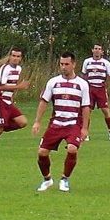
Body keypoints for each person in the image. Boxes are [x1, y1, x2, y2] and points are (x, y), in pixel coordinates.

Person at [31, 52, 90, 192]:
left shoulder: (82, 84)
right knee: (42, 153)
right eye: (61, 64)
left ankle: (65, 179)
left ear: (74, 65)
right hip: (56, 123)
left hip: (73, 123)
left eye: (66, 64)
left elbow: (86, 107)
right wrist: (37, 122)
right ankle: (47, 179)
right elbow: (44, 102)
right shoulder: (53, 82)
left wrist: (85, 128)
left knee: (72, 148)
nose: (63, 67)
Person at [81, 43, 110, 140]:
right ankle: (86, 133)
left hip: (101, 88)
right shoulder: (87, 62)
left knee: (105, 110)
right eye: (95, 48)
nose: (97, 50)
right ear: (92, 50)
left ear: (102, 52)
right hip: (90, 89)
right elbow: (84, 75)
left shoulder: (105, 63)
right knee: (87, 110)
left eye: (99, 49)